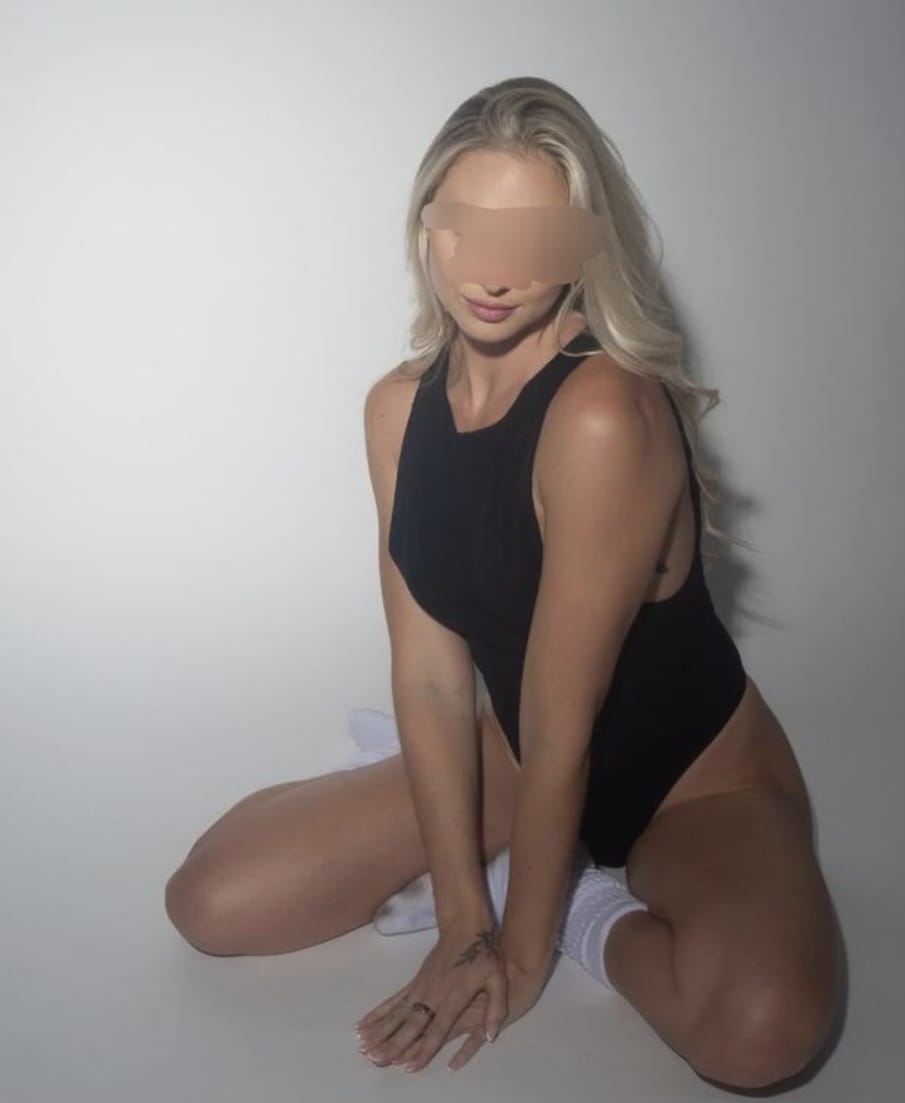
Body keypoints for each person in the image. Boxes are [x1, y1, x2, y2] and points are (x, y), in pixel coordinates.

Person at [164, 77, 844, 1091]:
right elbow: (432, 677)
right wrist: (459, 917)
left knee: (761, 1035)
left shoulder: (602, 411)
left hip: (691, 779)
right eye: (465, 229)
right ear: (424, 226)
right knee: (209, 901)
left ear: (582, 246)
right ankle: (490, 848)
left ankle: (583, 909)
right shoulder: (397, 410)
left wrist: (518, 951)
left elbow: (568, 721)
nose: (490, 271)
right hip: (516, 752)